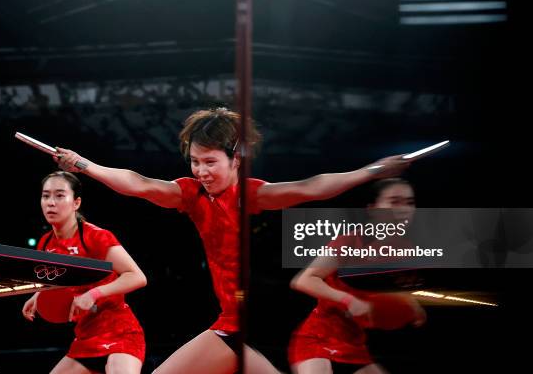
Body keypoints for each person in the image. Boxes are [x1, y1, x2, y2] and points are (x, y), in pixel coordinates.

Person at [54, 108, 410, 374]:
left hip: (268, 322)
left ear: (236, 158)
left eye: (210, 162)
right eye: (194, 161)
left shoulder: (253, 196)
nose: (201, 171)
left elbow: (312, 187)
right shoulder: (190, 194)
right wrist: (83, 165)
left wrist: (373, 171)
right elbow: (139, 183)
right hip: (231, 327)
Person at [288, 178, 425, 374]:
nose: (404, 209)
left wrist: (411, 304)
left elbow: (387, 293)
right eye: (394, 201)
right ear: (373, 208)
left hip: (355, 345)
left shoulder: (406, 250)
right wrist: (349, 300)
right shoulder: (350, 240)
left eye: (410, 203)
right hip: (317, 339)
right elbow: (303, 280)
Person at [22, 171, 147, 374]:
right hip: (86, 338)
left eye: (60, 195)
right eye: (46, 196)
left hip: (120, 333)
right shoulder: (45, 243)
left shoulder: (95, 237)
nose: (51, 202)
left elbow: (137, 277)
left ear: (76, 203)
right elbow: (62, 280)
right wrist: (39, 295)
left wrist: (93, 295)